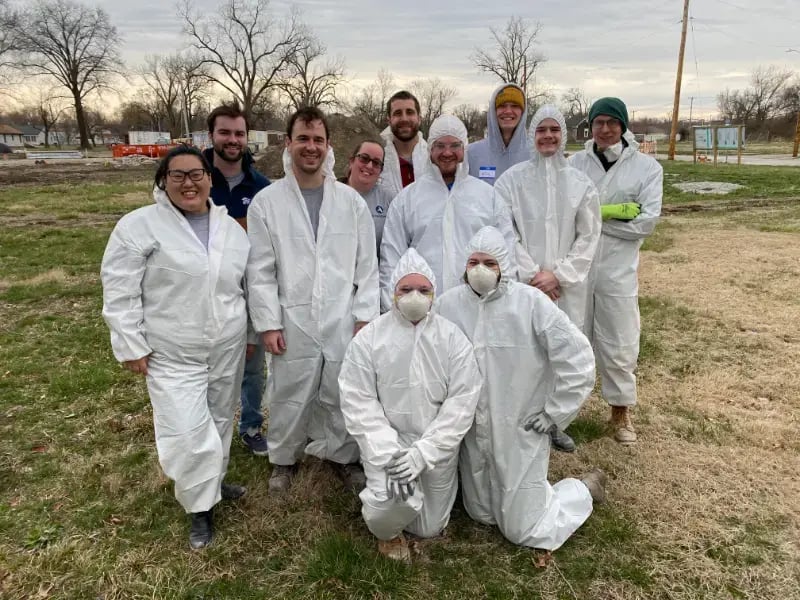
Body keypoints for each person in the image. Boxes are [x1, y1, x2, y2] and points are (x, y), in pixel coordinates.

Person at [101, 146, 250, 550]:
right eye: (178, 175)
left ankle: (213, 485)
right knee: (185, 429)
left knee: (219, 419)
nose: (189, 182)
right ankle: (199, 509)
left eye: (196, 173)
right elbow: (120, 289)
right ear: (162, 181)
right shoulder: (139, 227)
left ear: (209, 178)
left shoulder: (230, 230)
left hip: (225, 346)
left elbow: (245, 288)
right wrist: (131, 343)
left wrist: (250, 336)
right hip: (171, 350)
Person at [435, 226, 606, 552]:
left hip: (520, 428)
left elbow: (579, 360)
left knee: (523, 529)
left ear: (505, 266)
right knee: (481, 513)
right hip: (473, 430)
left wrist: (553, 413)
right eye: (473, 262)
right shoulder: (448, 305)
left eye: (490, 263)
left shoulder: (530, 304)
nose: (480, 270)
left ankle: (584, 489)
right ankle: (518, 499)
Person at [247, 107, 380, 494]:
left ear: (328, 146)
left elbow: (366, 267)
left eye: (318, 140)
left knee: (342, 387)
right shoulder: (267, 203)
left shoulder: (350, 203)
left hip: (342, 315)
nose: (310, 147)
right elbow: (260, 270)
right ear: (288, 144)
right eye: (303, 138)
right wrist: (268, 323)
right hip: (293, 318)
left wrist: (364, 318)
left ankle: (343, 455)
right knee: (289, 389)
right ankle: (284, 458)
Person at [338, 248, 481, 561]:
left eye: (423, 290)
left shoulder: (452, 338)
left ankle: (398, 494)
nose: (414, 296)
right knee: (391, 505)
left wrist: (424, 452)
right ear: (393, 293)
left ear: (433, 294)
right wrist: (388, 454)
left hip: (435, 447)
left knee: (429, 527)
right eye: (406, 289)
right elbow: (358, 401)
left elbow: (462, 401)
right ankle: (386, 532)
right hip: (388, 443)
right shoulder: (370, 339)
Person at [494, 104, 601, 453]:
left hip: (566, 289)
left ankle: (557, 419)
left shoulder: (580, 184)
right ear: (532, 135)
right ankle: (524, 416)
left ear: (564, 135)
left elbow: (589, 236)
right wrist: (532, 274)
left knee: (564, 348)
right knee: (527, 351)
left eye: (555, 130)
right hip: (527, 286)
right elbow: (504, 233)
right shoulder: (512, 182)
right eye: (541, 130)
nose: (548, 136)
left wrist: (559, 276)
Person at [569, 97, 663, 445]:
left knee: (619, 340)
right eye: (598, 122)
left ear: (623, 125)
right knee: (570, 335)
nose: (605, 129)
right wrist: (614, 212)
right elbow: (565, 214)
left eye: (612, 122)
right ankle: (565, 409)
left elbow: (646, 223)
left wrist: (595, 218)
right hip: (577, 267)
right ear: (590, 127)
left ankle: (620, 412)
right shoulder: (575, 163)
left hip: (617, 269)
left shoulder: (647, 169)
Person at [379, 114, 517, 311]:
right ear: (430, 150)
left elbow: (506, 254)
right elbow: (391, 262)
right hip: (422, 313)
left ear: (464, 148)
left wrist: (500, 305)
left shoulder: (489, 197)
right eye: (440, 146)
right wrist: (395, 311)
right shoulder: (406, 200)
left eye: (454, 146)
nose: (447, 153)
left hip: (478, 311)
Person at [204, 103, 271, 457]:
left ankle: (250, 425)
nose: (232, 140)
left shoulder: (260, 186)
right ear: (211, 135)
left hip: (247, 287)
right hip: (201, 291)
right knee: (205, 367)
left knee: (251, 364)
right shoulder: (194, 179)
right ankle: (205, 431)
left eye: (239, 134)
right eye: (225, 132)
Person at [467, 83, 530, 186]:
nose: (508, 111)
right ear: (493, 110)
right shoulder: (471, 154)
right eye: (502, 106)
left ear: (523, 112)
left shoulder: (535, 154)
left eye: (515, 106)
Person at [340, 139, 395, 252]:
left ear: (381, 170)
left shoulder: (389, 201)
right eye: (364, 158)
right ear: (351, 161)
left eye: (376, 163)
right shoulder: (331, 193)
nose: (369, 166)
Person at [379, 90, 428, 197]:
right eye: (397, 113)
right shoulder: (378, 160)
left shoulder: (433, 160)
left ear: (419, 119)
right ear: (389, 120)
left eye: (410, 112)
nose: (404, 119)